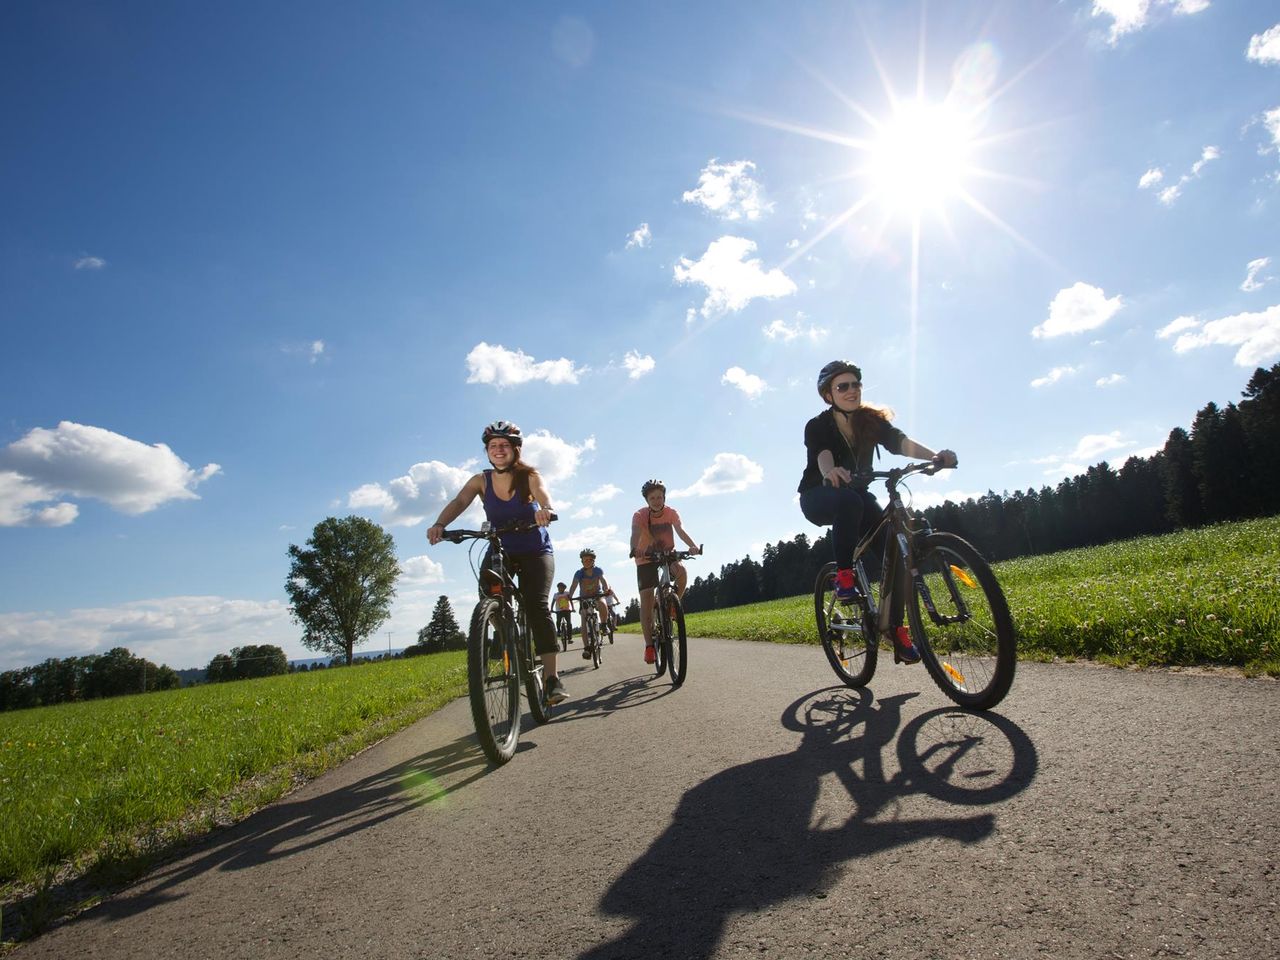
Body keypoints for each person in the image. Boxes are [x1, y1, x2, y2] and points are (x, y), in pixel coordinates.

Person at [797, 360, 957, 665]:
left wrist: (934, 455)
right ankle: (844, 575)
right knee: (850, 503)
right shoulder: (818, 425)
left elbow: (900, 442)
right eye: (842, 386)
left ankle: (894, 628)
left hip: (856, 494)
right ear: (828, 395)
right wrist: (831, 472)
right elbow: (823, 455)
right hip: (820, 495)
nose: (851, 390)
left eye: (855, 384)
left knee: (895, 554)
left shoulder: (870, 421)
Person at [427, 420, 568, 704]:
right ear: (487, 451)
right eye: (493, 446)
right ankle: (502, 634)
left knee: (536, 605)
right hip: (501, 549)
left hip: (535, 550)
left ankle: (552, 679)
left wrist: (546, 510)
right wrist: (440, 523)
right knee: (486, 591)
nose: (498, 450)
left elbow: (543, 494)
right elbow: (459, 501)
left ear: (516, 449)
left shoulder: (528, 475)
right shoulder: (481, 480)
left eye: (504, 445)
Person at [630, 480, 701, 665]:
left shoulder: (671, 512)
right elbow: (635, 533)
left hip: (668, 555)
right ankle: (649, 646)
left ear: (664, 497)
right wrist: (634, 548)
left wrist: (691, 546)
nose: (656, 501)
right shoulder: (639, 515)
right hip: (646, 558)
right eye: (652, 498)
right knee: (646, 600)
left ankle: (671, 605)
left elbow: (680, 530)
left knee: (682, 572)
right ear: (646, 500)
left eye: (659, 497)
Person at [567, 548, 612, 659]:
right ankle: (587, 647)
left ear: (593, 561)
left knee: (602, 603)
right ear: (582, 561)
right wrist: (570, 596)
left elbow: (603, 580)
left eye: (589, 560)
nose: (587, 561)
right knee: (583, 619)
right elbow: (574, 585)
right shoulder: (579, 573)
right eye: (585, 560)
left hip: (597, 594)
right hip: (584, 598)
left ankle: (604, 625)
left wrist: (606, 589)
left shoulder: (597, 570)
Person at [552, 581, 574, 645]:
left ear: (564, 588)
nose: (560, 589)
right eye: (559, 587)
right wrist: (551, 609)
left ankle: (570, 638)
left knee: (569, 623)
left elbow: (571, 600)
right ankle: (558, 631)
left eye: (561, 587)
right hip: (559, 611)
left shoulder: (567, 593)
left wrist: (573, 608)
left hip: (567, 610)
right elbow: (553, 602)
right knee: (558, 621)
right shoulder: (556, 594)